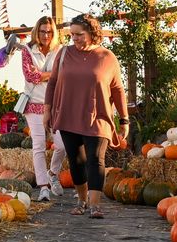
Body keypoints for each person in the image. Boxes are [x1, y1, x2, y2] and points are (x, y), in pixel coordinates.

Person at [43, 13, 129, 218]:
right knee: (76, 161)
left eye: (79, 34)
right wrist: (47, 111)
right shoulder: (64, 54)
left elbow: (117, 89)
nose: (75, 39)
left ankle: (95, 205)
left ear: (92, 33)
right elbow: (53, 83)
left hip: (97, 116)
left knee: (96, 159)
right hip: (67, 114)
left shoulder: (107, 57)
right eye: (72, 35)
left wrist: (124, 119)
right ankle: (81, 201)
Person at [13, 15, 69, 199]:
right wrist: (53, 73)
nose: (46, 35)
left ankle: (53, 173)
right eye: (43, 31)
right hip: (34, 104)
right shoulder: (27, 50)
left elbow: (64, 74)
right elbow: (31, 77)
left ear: (54, 33)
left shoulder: (60, 50)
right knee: (38, 146)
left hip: (56, 103)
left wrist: (44, 74)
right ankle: (43, 186)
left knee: (61, 145)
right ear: (37, 32)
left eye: (49, 32)